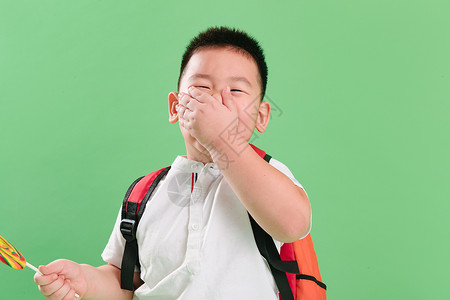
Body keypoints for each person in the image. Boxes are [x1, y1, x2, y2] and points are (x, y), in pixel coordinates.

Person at [34, 26, 312, 300]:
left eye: (236, 90)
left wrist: (222, 140)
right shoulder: (145, 194)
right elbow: (126, 281)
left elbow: (293, 223)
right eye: (202, 87)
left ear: (261, 116)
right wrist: (86, 280)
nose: (216, 100)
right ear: (175, 107)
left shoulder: (268, 175)